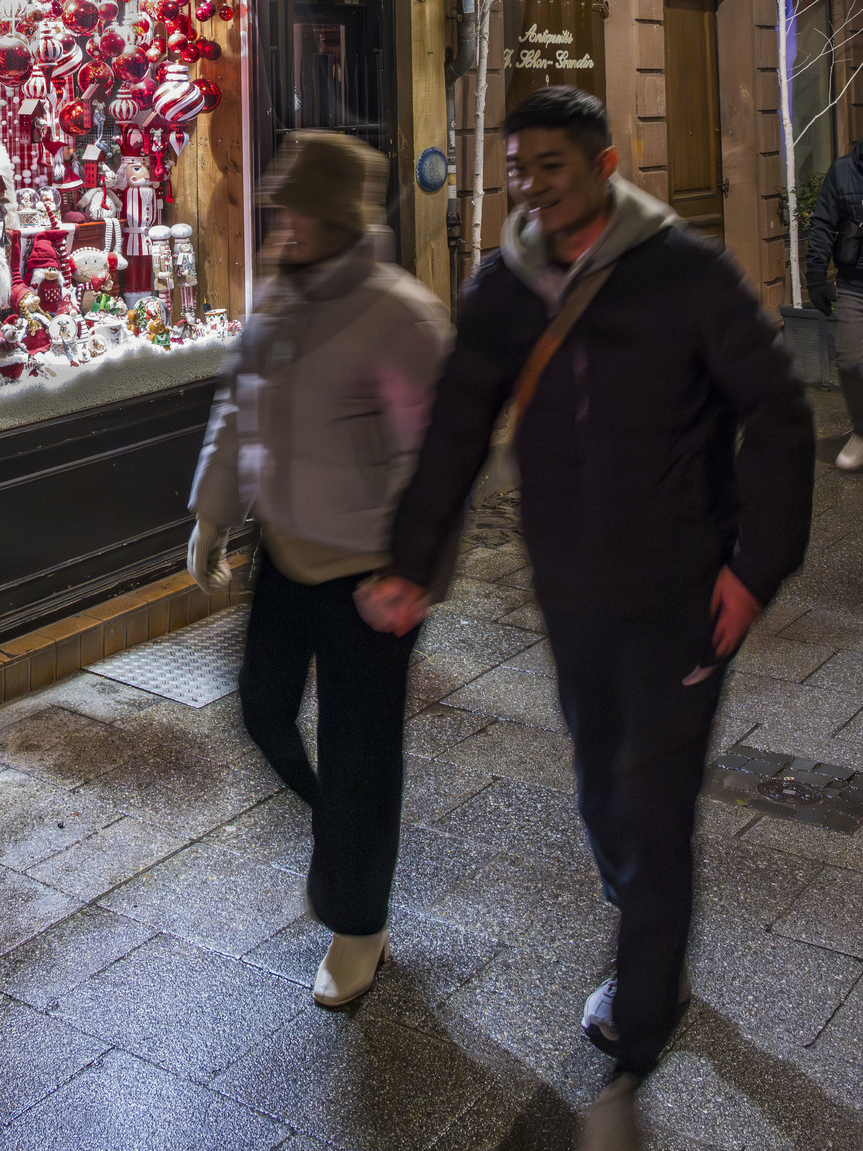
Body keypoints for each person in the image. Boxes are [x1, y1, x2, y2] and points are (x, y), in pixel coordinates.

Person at [360, 87, 813, 1150]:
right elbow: (457, 427)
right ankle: (640, 920)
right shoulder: (504, 288)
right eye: (516, 165)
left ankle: (643, 1020)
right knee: (600, 790)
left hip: (681, 597)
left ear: (604, 162)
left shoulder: (686, 275)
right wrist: (413, 565)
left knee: (652, 813)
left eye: (549, 164)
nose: (528, 184)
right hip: (568, 596)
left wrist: (754, 569)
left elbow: (779, 416)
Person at [188, 130, 450, 1011]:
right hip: (287, 556)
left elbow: (444, 457)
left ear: (336, 217)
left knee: (359, 749)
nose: (281, 222)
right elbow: (237, 406)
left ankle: (357, 922)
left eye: (295, 208)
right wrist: (211, 516)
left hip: (371, 576)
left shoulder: (398, 314)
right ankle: (342, 828)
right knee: (263, 712)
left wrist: (417, 571)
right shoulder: (278, 299)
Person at [803, 139, 863, 471]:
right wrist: (815, 275)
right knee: (850, 358)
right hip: (855, 282)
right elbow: (823, 223)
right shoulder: (843, 170)